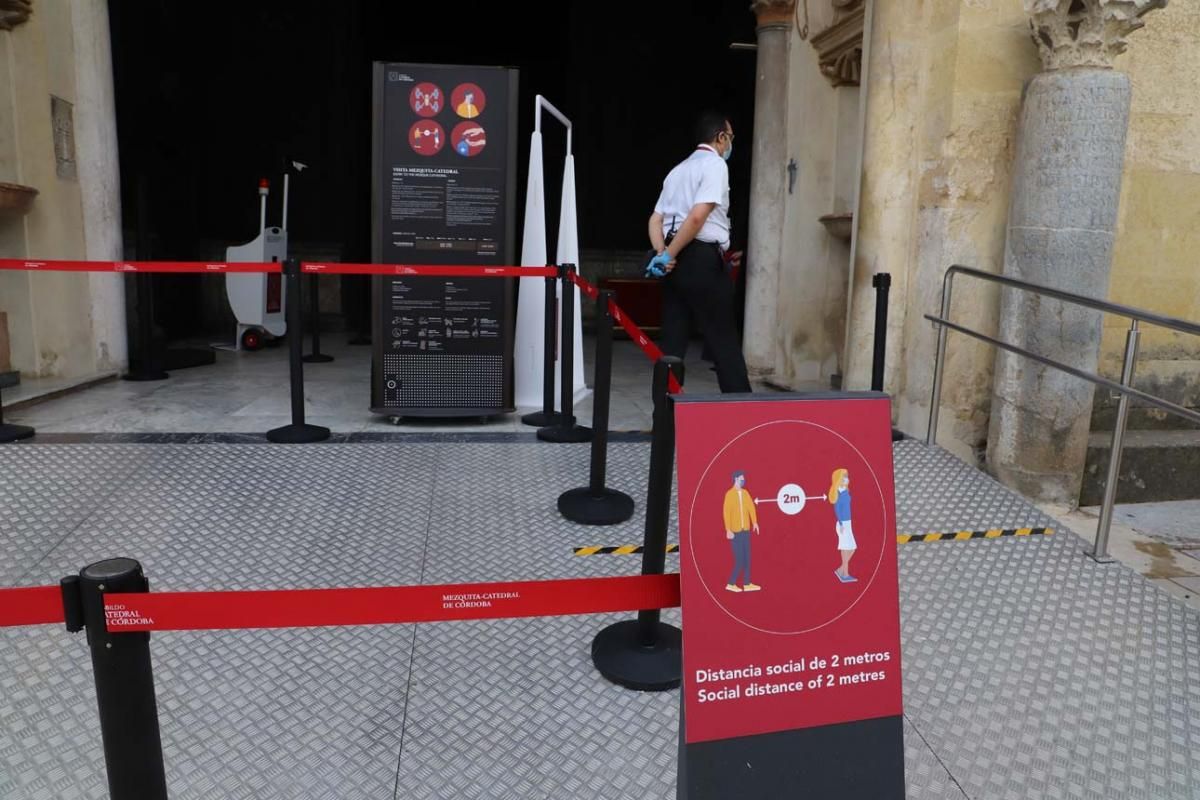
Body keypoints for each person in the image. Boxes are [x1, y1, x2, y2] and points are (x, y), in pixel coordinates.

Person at [646, 111, 752, 393]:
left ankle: (664, 421)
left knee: (672, 343)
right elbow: (697, 217)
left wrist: (663, 254)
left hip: (675, 260)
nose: (731, 144)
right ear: (720, 138)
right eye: (730, 138)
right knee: (723, 340)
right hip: (701, 258)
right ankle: (744, 419)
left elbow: (655, 218)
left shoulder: (677, 170)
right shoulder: (715, 165)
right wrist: (669, 254)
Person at [723, 470, 761, 592]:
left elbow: (751, 507)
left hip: (746, 530)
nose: (743, 481)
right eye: (741, 479)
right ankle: (731, 583)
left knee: (747, 558)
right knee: (739, 559)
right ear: (735, 479)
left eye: (743, 479)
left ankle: (747, 583)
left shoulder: (745, 493)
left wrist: (754, 522)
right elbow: (726, 513)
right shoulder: (729, 494)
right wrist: (728, 529)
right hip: (735, 532)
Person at [828, 468, 857, 583]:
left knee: (850, 547)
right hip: (843, 524)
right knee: (846, 548)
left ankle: (841, 570)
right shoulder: (838, 493)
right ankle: (844, 573)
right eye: (844, 476)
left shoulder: (845, 490)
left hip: (847, 523)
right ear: (839, 479)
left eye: (847, 476)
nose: (847, 479)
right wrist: (840, 523)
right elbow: (837, 510)